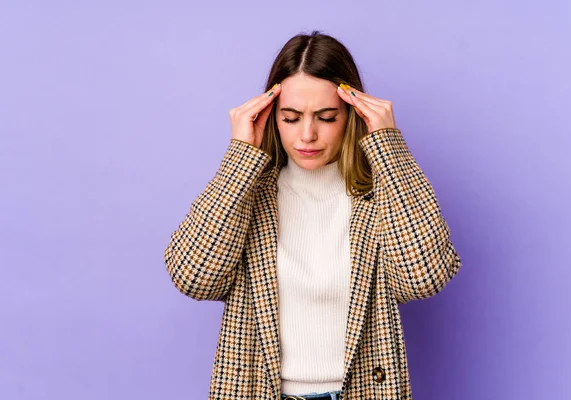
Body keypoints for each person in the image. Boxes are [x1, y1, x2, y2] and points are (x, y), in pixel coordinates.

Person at [164, 30, 462, 400]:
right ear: (270, 116)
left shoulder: (378, 197)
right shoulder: (250, 196)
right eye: (290, 118)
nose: (307, 134)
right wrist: (239, 158)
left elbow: (424, 278)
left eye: (325, 116)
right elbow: (193, 277)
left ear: (351, 114)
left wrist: (389, 146)